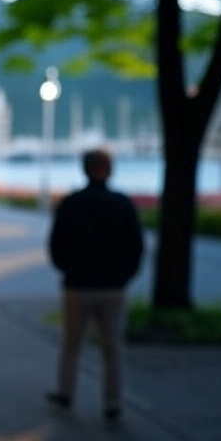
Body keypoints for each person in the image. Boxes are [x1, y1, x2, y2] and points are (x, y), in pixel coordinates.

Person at [47, 148, 144, 422]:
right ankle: (113, 402)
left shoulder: (71, 203)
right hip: (113, 286)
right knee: (112, 347)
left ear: (84, 169)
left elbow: (56, 244)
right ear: (109, 170)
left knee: (71, 343)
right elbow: (136, 245)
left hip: (78, 285)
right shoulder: (122, 204)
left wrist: (68, 269)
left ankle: (66, 393)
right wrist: (125, 275)